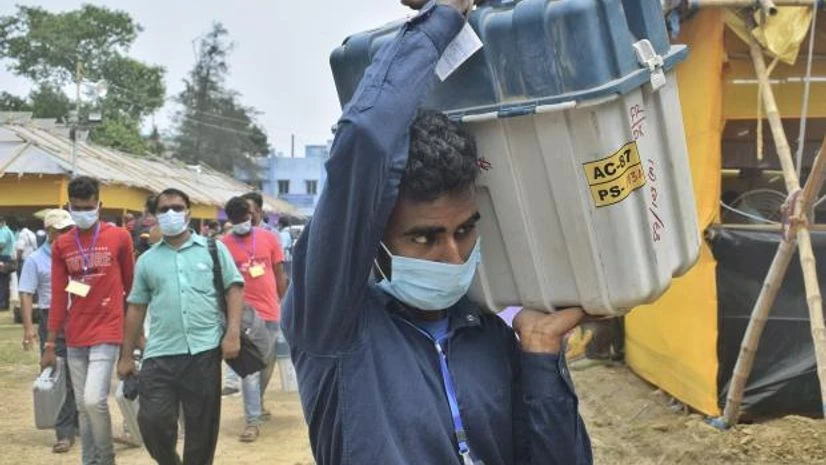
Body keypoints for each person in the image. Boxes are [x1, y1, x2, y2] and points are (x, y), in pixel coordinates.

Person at [280, 2, 592, 464]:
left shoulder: (489, 332)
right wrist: (443, 17)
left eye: (465, 231)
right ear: (374, 240)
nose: (453, 256)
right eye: (424, 238)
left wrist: (542, 356)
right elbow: (365, 141)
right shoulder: (333, 323)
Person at [118, 188, 244, 465]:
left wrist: (232, 333)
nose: (171, 213)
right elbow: (136, 306)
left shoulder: (213, 249)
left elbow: (233, 289)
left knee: (202, 428)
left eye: (177, 207)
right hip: (160, 352)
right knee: (152, 421)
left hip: (204, 351)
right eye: (164, 209)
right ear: (155, 215)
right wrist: (126, 355)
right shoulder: (148, 260)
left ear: (188, 212)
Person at [41, 176, 135, 465]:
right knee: (83, 406)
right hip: (75, 333)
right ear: (69, 206)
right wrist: (49, 342)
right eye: (77, 207)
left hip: (108, 328)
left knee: (95, 400)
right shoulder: (61, 245)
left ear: (99, 205)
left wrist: (134, 335)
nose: (83, 212)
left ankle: (105, 459)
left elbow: (131, 287)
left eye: (89, 206)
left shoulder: (119, 237)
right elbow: (58, 295)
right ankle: (89, 460)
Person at [221, 196, 288, 442]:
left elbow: (279, 274)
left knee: (267, 365)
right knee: (250, 369)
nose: (243, 224)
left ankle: (257, 402)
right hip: (245, 315)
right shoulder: (223, 245)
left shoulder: (270, 239)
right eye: (237, 220)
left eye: (246, 218)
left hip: (271, 311)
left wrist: (284, 303)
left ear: (253, 216)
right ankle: (252, 420)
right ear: (230, 221)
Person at [19, 209, 79, 454]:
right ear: (51, 231)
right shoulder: (35, 260)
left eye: (70, 229)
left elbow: (80, 287)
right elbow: (26, 293)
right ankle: (64, 432)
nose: (69, 233)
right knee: (60, 375)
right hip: (51, 321)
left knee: (78, 374)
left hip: (77, 318)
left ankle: (75, 422)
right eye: (64, 230)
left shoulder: (75, 255)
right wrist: (28, 329)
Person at [0, 216, 15, 310]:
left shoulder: (3, 231)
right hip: (8, 258)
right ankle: (5, 304)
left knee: (1, 282)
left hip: (2, 257)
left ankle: (1, 303)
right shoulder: (9, 231)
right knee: (5, 282)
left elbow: (1, 244)